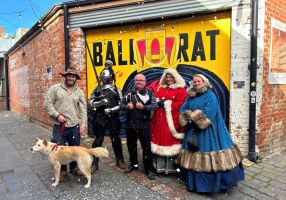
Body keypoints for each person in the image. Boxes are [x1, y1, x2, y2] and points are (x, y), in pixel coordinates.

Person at [176, 74, 245, 193]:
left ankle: (215, 185)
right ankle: (195, 184)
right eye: (194, 81)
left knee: (211, 154)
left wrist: (192, 117)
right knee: (193, 154)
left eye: (198, 81)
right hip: (192, 130)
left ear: (204, 82)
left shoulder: (210, 95)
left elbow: (210, 113)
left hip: (210, 131)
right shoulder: (190, 97)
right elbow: (183, 109)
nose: (196, 83)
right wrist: (188, 117)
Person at [44, 67, 87, 180]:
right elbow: (47, 104)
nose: (71, 78)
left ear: (75, 78)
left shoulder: (79, 92)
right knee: (58, 149)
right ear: (65, 76)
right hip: (59, 125)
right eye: (69, 75)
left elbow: (83, 109)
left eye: (73, 76)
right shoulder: (55, 89)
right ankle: (63, 170)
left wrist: (83, 124)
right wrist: (57, 115)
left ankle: (74, 168)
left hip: (73, 125)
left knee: (74, 148)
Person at [88, 60, 126, 172]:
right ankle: (94, 163)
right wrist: (100, 103)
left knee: (116, 139)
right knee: (98, 140)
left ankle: (119, 160)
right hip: (99, 117)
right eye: (103, 76)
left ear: (111, 77)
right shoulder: (97, 89)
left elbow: (122, 104)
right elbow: (90, 103)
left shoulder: (116, 90)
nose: (105, 78)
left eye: (107, 76)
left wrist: (111, 109)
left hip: (113, 118)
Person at [150, 68, 187, 174]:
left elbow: (181, 105)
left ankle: (170, 169)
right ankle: (158, 167)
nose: (169, 79)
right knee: (159, 141)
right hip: (159, 121)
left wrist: (167, 104)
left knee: (169, 142)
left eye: (171, 77)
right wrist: (157, 102)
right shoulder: (160, 89)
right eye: (167, 77)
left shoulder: (181, 90)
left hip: (170, 122)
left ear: (175, 78)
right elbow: (155, 101)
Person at [122, 74, 157, 180]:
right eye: (137, 80)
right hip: (130, 125)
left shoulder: (150, 93)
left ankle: (149, 169)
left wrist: (144, 107)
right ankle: (134, 164)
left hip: (144, 125)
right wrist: (126, 107)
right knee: (131, 146)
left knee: (146, 147)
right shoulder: (128, 93)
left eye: (141, 80)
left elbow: (155, 105)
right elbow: (120, 105)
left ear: (145, 82)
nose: (138, 82)